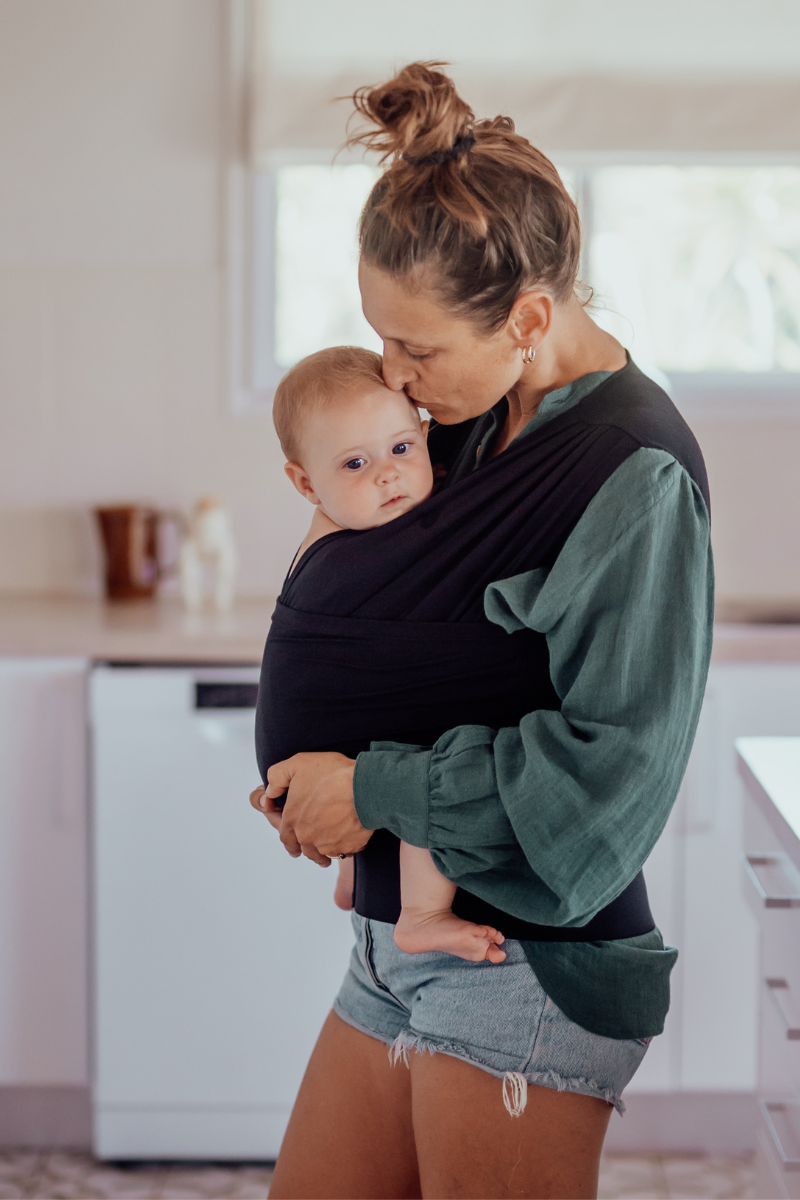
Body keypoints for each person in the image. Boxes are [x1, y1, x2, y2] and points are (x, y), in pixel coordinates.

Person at [250, 61, 713, 1200]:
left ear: (528, 318)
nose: (395, 382)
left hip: (526, 964)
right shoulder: (464, 418)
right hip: (396, 943)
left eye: (418, 351)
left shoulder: (631, 475)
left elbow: (608, 778)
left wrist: (369, 790)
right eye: (379, 340)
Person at [262, 344, 506, 963]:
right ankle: (421, 912)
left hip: (297, 756)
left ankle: (357, 871)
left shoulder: (334, 531)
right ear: (306, 484)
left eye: (402, 449)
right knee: (435, 750)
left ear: (426, 437)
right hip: (324, 751)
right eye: (355, 464)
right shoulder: (369, 540)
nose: (387, 475)